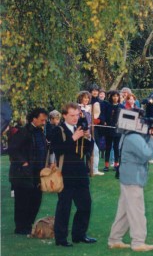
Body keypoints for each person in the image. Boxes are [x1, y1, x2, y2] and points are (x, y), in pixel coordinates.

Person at [107, 123, 153, 252]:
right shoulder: (133, 137)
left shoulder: (128, 135)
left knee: (124, 210)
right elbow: (147, 154)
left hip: (128, 176)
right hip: (133, 178)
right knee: (137, 211)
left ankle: (115, 239)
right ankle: (138, 242)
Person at [50, 102, 97, 247]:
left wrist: (88, 137)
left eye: (77, 115)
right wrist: (73, 138)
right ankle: (61, 238)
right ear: (64, 115)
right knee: (64, 207)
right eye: (72, 115)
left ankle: (79, 234)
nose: (75, 118)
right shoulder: (58, 130)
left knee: (85, 205)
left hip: (80, 173)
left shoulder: (79, 128)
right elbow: (58, 150)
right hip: (65, 174)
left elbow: (88, 150)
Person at [9, 107, 49, 235]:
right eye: (42, 120)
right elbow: (13, 149)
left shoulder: (40, 132)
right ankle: (21, 227)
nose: (44, 122)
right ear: (34, 119)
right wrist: (24, 163)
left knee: (36, 200)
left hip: (37, 172)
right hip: (23, 173)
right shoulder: (24, 131)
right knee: (23, 201)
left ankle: (29, 224)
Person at [102, 90, 123, 173]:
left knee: (116, 148)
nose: (115, 97)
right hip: (109, 129)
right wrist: (104, 121)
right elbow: (103, 115)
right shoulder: (107, 106)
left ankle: (116, 164)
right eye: (114, 96)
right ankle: (106, 165)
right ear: (111, 97)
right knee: (108, 147)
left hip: (118, 130)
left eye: (117, 96)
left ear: (118, 97)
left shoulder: (121, 106)